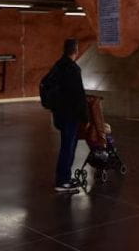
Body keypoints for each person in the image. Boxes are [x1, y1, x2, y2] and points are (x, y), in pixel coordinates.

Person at [43, 38, 88, 193]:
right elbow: (79, 95)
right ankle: (63, 181)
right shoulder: (73, 69)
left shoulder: (58, 66)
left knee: (66, 145)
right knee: (68, 147)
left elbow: (46, 83)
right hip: (70, 114)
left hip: (59, 113)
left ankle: (65, 177)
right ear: (76, 50)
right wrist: (85, 116)